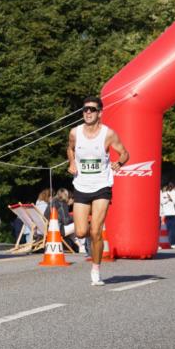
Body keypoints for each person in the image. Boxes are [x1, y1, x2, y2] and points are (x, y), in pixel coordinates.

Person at [67, 96, 129, 285]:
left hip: (102, 185)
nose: (87, 113)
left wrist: (119, 162)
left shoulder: (108, 134)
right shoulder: (75, 133)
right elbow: (70, 149)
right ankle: (87, 241)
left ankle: (96, 269)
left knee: (95, 231)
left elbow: (125, 152)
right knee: (80, 232)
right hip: (81, 186)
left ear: (100, 113)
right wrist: (71, 162)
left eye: (92, 110)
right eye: (85, 110)